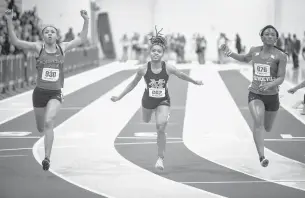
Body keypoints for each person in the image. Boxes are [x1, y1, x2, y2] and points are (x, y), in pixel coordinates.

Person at [4, 9, 89, 171]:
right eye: (47, 32)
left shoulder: (63, 47)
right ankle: (43, 133)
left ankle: (47, 158)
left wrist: (86, 20)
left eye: (52, 32)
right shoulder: (38, 47)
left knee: (49, 122)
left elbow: (82, 38)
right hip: (39, 94)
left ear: (57, 36)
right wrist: (9, 20)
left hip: (55, 93)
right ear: (43, 36)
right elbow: (15, 42)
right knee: (40, 127)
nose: (50, 34)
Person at [111, 26, 203, 170]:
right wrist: (119, 97)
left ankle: (160, 158)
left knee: (161, 127)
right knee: (146, 120)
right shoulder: (143, 69)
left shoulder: (168, 68)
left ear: (162, 54)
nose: (156, 53)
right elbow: (132, 84)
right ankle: (150, 113)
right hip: (147, 101)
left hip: (163, 101)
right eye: (153, 51)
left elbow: (182, 75)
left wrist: (195, 82)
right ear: (150, 52)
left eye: (159, 51)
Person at [220, 25, 288, 167]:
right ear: (262, 37)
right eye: (267, 34)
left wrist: (270, 84)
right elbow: (244, 58)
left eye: (272, 34)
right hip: (255, 93)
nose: (269, 36)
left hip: (272, 96)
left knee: (268, 127)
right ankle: (262, 157)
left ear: (276, 39)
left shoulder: (281, 56)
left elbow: (281, 77)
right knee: (258, 121)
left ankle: (262, 142)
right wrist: (229, 53)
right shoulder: (254, 51)